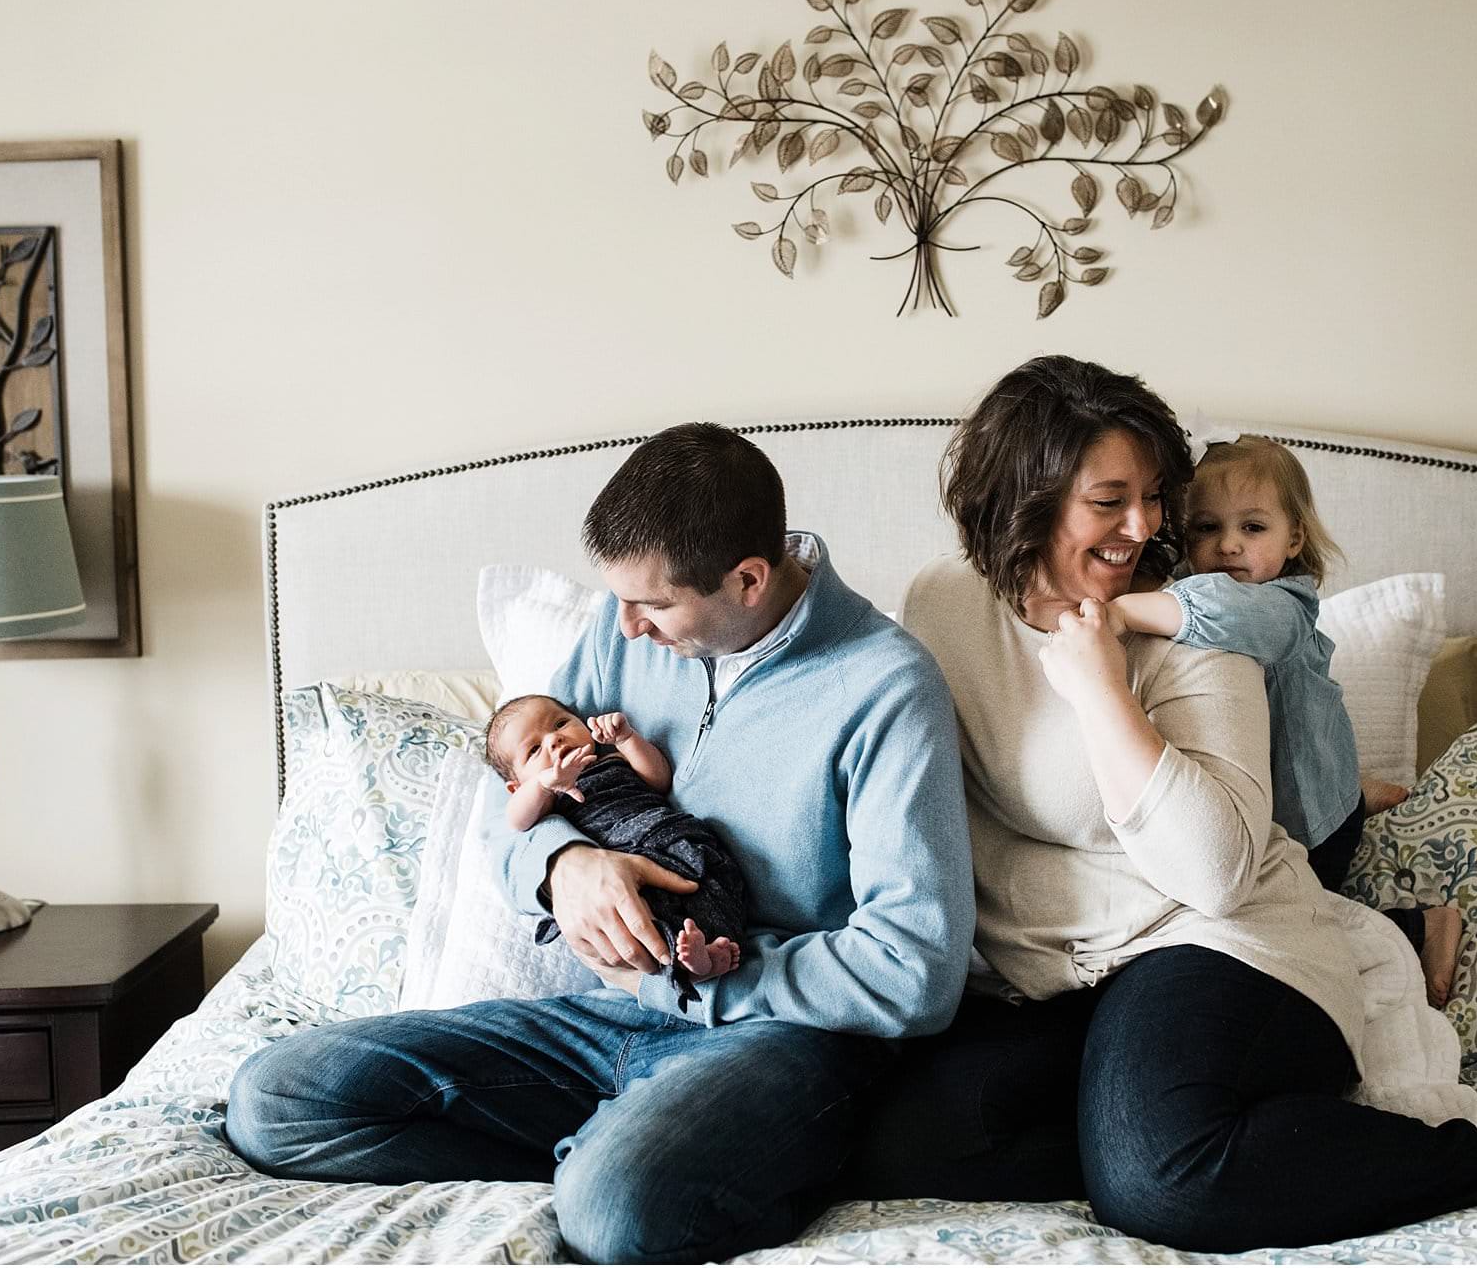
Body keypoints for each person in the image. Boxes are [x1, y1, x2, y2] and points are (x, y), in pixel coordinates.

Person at [845, 356, 1477, 1251]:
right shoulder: (944, 601)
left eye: (1154, 496)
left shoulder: (1203, 617)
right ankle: (1224, 1127)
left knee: (1160, 1181)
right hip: (1048, 978)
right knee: (892, 1141)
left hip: (1218, 940)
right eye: (1110, 500)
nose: (1144, 527)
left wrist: (1101, 689)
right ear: (1024, 500)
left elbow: (1218, 871)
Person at [226, 423, 976, 1264]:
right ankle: (619, 1147)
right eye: (616, 599)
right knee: (277, 1098)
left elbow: (916, 970)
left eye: (652, 605)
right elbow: (499, 798)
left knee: (616, 1211)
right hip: (597, 1019)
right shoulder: (619, 636)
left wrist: (716, 989)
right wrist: (561, 867)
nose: (623, 629)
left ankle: (636, 1164)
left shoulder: (885, 686)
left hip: (775, 1037)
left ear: (749, 578)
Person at [1106, 433, 1463, 1005]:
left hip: (1307, 822)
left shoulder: (1280, 608)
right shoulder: (1185, 591)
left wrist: (1119, 610)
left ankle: (1426, 926)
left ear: (1294, 535)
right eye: (1206, 528)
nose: (1228, 545)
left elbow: (1221, 613)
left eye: (1253, 528)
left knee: (1293, 933)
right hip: (1272, 794)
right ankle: (1352, 789)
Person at [483, 694, 745, 1009]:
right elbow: (517, 820)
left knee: (705, 883)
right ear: (516, 787)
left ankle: (712, 944)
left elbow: (658, 779)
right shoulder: (544, 796)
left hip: (663, 837)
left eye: (561, 723)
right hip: (622, 863)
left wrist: (627, 739)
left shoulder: (613, 759)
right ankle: (695, 963)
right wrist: (544, 785)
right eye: (534, 750)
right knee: (640, 913)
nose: (554, 739)